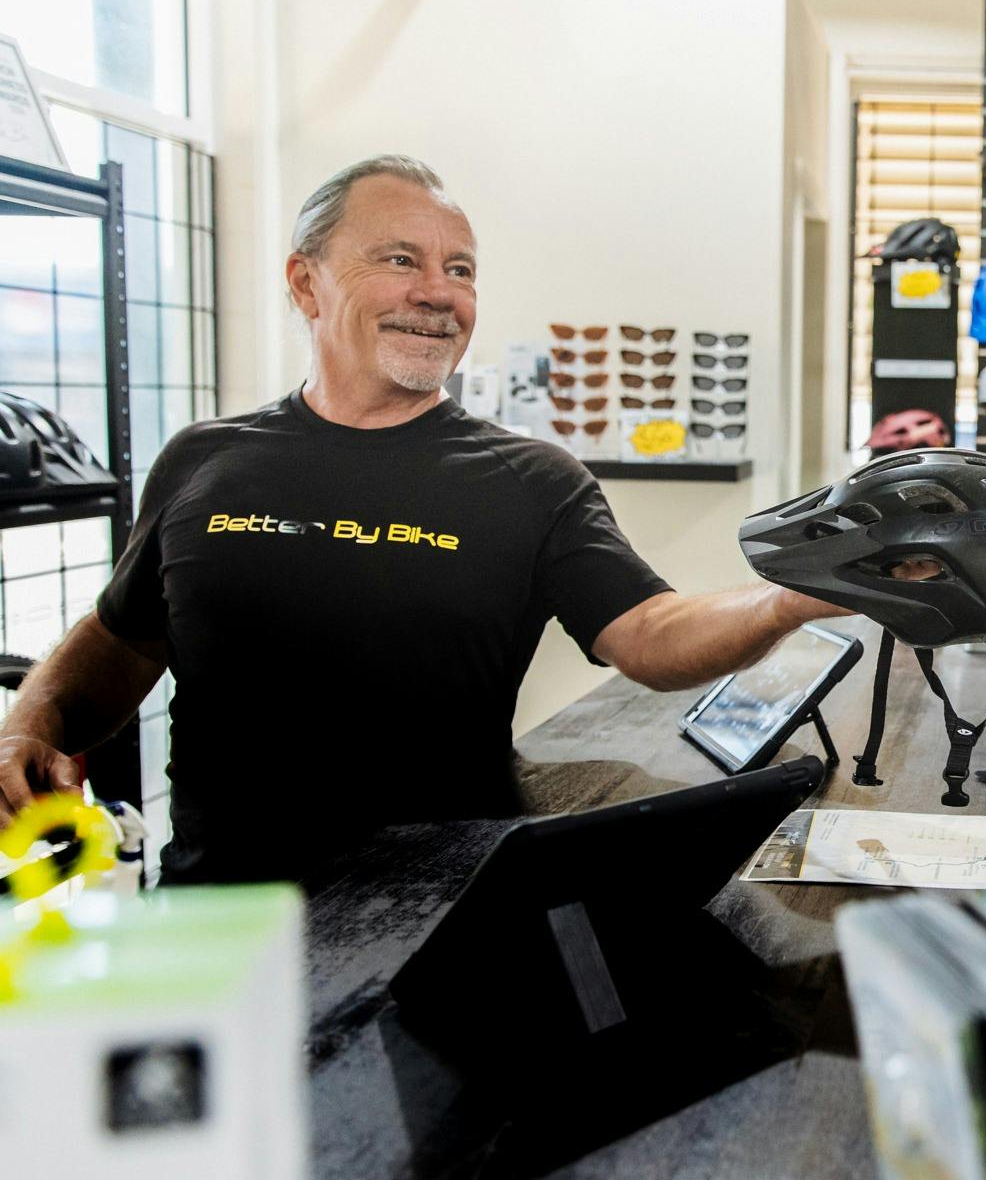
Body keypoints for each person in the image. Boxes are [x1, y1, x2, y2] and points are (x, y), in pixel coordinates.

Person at [0, 156, 843, 883]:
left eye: (463, 270)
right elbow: (122, 639)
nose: (439, 294)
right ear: (306, 281)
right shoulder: (203, 462)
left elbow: (652, 632)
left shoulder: (530, 481)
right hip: (222, 915)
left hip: (448, 913)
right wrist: (28, 724)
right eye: (402, 259)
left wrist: (790, 596)